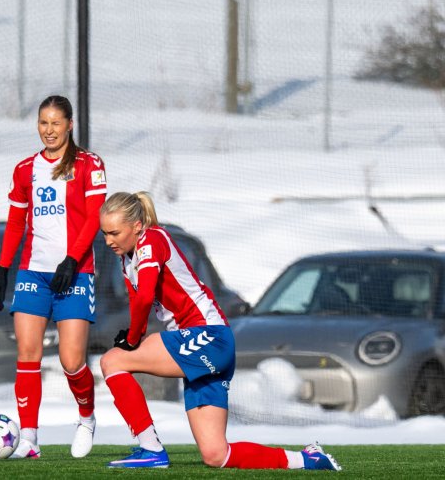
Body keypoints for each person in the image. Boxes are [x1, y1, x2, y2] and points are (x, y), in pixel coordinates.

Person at [97, 191, 342, 471]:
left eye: (114, 233)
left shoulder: (152, 239)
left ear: (137, 225)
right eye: (104, 234)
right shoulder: (127, 259)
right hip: (206, 346)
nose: (108, 241)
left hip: (208, 337)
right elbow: (136, 301)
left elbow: (144, 297)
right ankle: (307, 459)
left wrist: (131, 341)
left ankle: (150, 449)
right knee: (216, 455)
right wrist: (133, 336)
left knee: (112, 361)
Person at [0, 95, 106, 459]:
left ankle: (86, 418)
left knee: (72, 361)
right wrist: (3, 267)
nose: (49, 130)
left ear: (69, 124)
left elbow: (94, 216)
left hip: (75, 273)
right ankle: (29, 438)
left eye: (56, 123)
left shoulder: (90, 164)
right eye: (43, 123)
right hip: (33, 273)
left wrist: (72, 260)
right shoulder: (25, 168)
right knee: (28, 353)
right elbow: (15, 222)